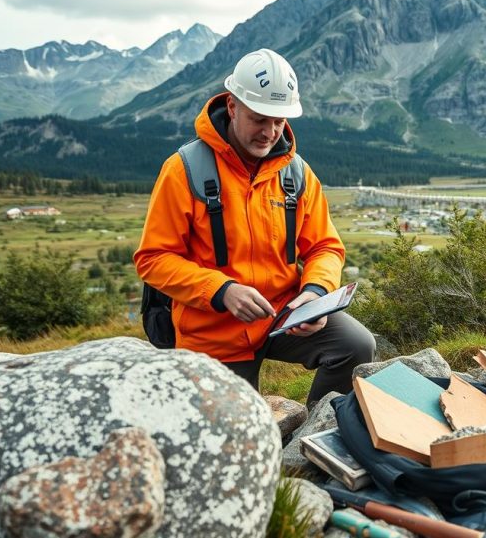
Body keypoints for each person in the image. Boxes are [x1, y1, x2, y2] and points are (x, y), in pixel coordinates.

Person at [134, 48, 375, 407]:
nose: (270, 133)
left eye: (279, 121)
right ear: (232, 106)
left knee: (356, 346)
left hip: (283, 315)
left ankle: (315, 432)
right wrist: (222, 290)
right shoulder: (184, 169)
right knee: (232, 435)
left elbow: (325, 247)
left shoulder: (296, 173)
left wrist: (315, 294)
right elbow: (153, 259)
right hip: (212, 334)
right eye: (259, 119)